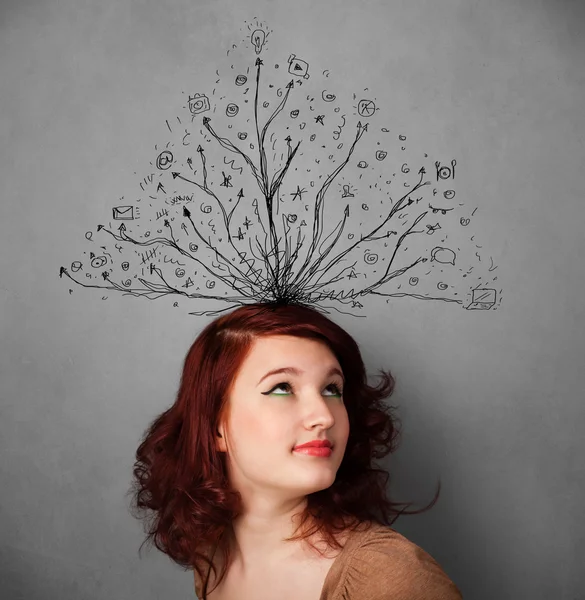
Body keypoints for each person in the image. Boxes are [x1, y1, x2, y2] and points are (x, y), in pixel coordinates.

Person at [129, 301, 463, 599]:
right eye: (282, 388)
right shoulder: (213, 557)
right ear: (216, 426)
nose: (323, 415)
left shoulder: (389, 579)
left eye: (333, 389)